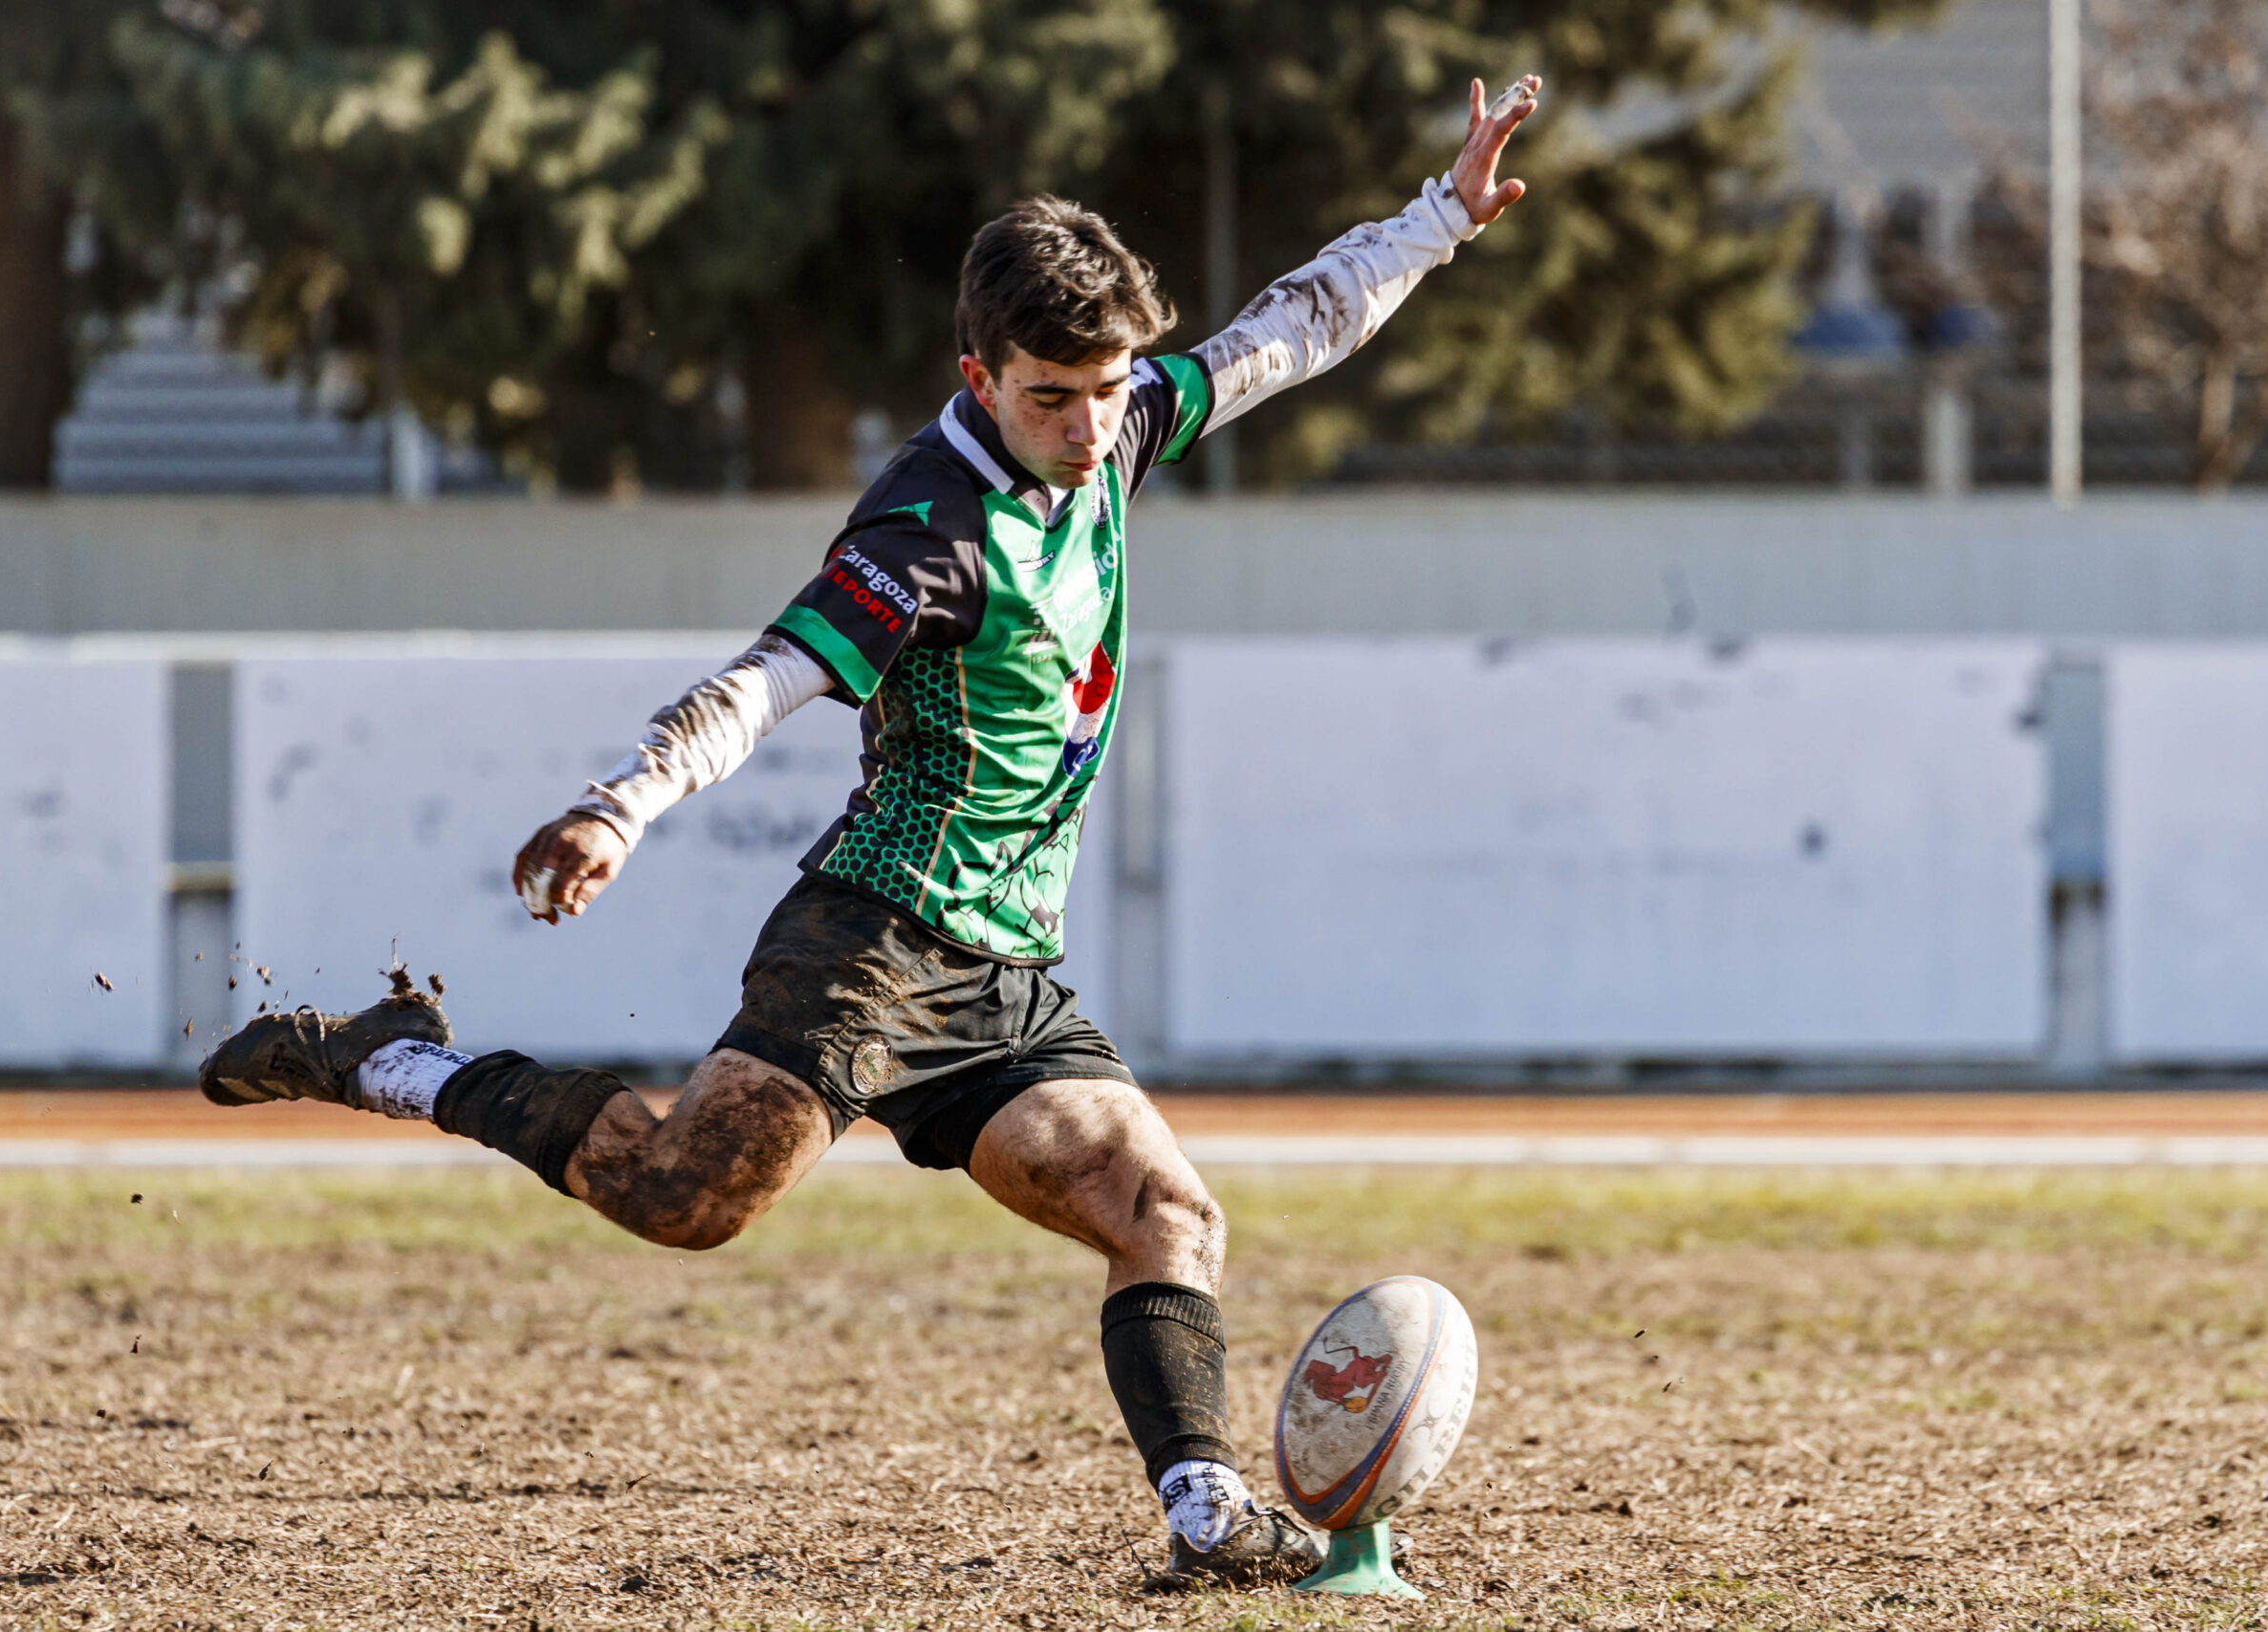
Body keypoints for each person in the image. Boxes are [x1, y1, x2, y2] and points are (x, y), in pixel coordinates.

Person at [199, 74, 1539, 1588]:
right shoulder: (927, 533)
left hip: (1002, 969)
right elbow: (769, 678)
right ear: (980, 375)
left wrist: (1440, 216)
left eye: (1109, 388)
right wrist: (618, 804)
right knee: (684, 1199)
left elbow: (1291, 328)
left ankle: (1205, 1517)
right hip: (874, 945)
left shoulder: (1117, 425)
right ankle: (390, 1061)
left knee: (1166, 1210)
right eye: (1052, 396)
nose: (1093, 424)